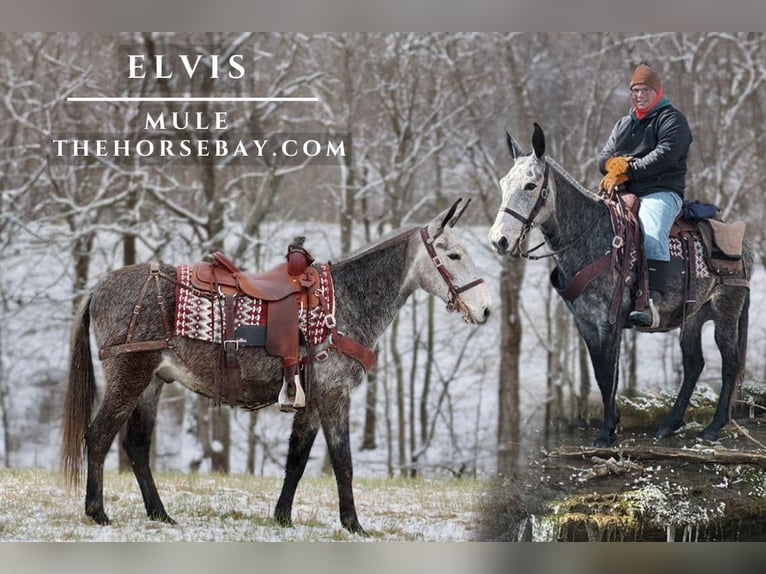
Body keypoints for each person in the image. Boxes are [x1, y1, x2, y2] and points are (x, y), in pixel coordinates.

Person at [598, 62, 693, 328]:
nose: (638, 95)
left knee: (651, 230)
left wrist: (627, 168)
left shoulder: (673, 120)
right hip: (623, 193)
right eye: (634, 90)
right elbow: (604, 157)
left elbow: (664, 156)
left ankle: (653, 301)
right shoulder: (623, 124)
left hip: (661, 192)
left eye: (644, 90)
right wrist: (611, 167)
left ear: (657, 91)